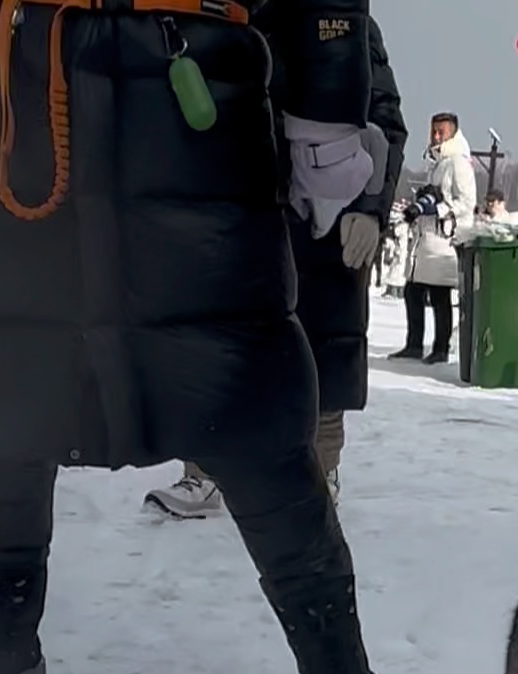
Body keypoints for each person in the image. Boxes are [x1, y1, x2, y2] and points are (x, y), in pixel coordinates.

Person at [0, 0, 407, 674]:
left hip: (195, 99)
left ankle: (342, 673)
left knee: (252, 411)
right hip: (27, 93)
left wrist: (330, 115)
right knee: (0, 393)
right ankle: (0, 631)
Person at [143, 16, 409, 518]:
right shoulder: (228, 10)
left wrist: (371, 207)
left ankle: (320, 473)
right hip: (239, 199)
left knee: (323, 350)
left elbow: (385, 117)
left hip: (325, 213)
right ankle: (203, 473)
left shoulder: (344, 21)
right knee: (215, 348)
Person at [388, 112, 477, 366]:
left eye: (441, 132)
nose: (436, 136)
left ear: (453, 133)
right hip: (427, 240)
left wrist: (436, 208)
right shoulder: (438, 163)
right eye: (434, 131)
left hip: (444, 239)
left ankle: (440, 348)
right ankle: (414, 344)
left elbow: (466, 202)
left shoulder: (458, 163)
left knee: (439, 294)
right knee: (413, 291)